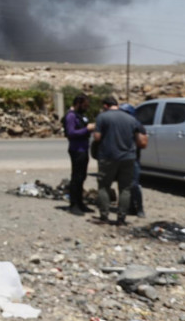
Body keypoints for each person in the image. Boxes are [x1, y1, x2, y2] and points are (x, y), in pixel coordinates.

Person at [93, 95, 148, 225]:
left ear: (106, 106)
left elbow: (96, 137)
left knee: (104, 186)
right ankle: (121, 218)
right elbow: (142, 139)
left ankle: (104, 216)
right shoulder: (131, 119)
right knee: (125, 188)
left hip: (108, 157)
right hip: (128, 158)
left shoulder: (102, 117)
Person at [63, 94, 95, 215]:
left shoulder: (80, 115)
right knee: (76, 178)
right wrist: (87, 129)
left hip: (83, 149)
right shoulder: (71, 116)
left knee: (82, 177)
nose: (87, 108)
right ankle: (74, 204)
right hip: (76, 150)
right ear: (78, 104)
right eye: (85, 105)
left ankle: (80, 202)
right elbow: (71, 133)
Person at [119, 103, 146, 217]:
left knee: (134, 184)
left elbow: (143, 143)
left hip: (133, 158)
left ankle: (139, 208)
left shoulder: (137, 125)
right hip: (121, 158)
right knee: (124, 184)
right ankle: (129, 207)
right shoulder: (119, 125)